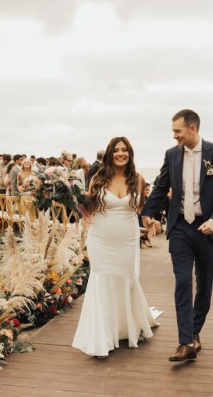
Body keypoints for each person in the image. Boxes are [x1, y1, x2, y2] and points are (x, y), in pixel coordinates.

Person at [141, 109, 213, 362]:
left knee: (204, 285)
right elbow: (161, 186)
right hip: (180, 226)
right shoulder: (172, 155)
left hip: (207, 228)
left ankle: (194, 332)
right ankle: (185, 342)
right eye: (173, 132)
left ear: (192, 128)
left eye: (177, 131)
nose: (174, 136)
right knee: (182, 282)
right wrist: (147, 213)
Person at [72, 137, 158, 358]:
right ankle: (101, 337)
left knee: (125, 278)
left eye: (124, 150)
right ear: (109, 154)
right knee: (102, 280)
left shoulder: (138, 179)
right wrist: (73, 205)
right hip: (100, 238)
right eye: (116, 150)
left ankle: (127, 327)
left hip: (127, 239)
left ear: (130, 153)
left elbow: (139, 208)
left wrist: (149, 221)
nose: (120, 154)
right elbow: (88, 210)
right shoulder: (98, 179)